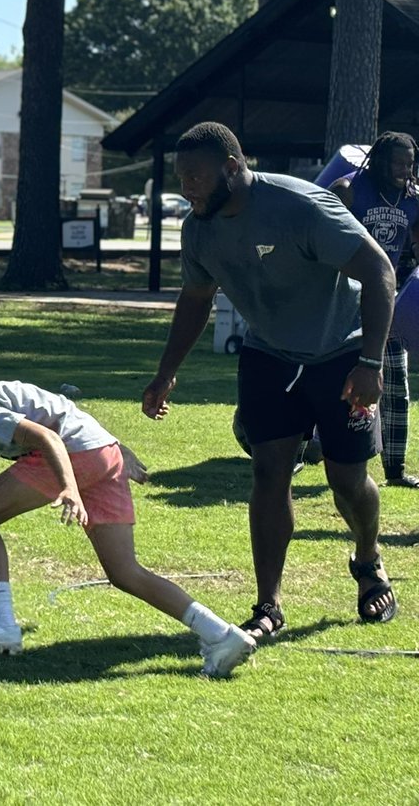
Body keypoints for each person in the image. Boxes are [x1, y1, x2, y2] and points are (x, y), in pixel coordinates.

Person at [142, 121, 399, 640]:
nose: (186, 189)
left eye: (196, 178)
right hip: (269, 355)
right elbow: (195, 298)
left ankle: (369, 560)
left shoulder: (301, 207)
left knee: (346, 480)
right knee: (269, 472)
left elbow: (379, 271)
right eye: (181, 178)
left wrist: (370, 364)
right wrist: (166, 372)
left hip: (340, 353)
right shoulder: (199, 228)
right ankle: (269, 605)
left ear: (233, 168)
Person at [0, 362, 256, 678]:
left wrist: (70, 487)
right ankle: (222, 635)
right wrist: (116, 448)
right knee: (125, 572)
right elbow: (63, 408)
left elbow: (49, 439)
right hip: (99, 454)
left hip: (75, 459)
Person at [329, 131, 419, 488]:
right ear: (379, 159)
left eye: (410, 163)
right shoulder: (347, 189)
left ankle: (395, 471)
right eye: (398, 162)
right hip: (342, 300)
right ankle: (304, 452)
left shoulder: (413, 199)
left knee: (395, 383)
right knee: (328, 380)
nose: (404, 170)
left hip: (386, 301)